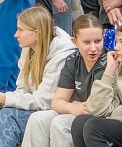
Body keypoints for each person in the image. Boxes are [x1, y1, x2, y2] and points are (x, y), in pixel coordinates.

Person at [0, 6, 77, 147]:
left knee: (8, 116)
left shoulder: (62, 56)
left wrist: (4, 98)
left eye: (20, 30)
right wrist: (1, 101)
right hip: (40, 108)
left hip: (55, 112)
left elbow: (44, 102)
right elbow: (23, 89)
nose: (16, 34)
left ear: (37, 33)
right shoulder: (29, 48)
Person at [22, 14, 107, 147]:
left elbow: (97, 106)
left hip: (101, 116)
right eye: (86, 42)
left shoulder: (109, 62)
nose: (93, 48)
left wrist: (72, 107)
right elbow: (57, 102)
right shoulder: (72, 60)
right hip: (79, 111)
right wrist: (71, 107)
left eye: (97, 41)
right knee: (37, 119)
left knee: (60, 123)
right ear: (74, 42)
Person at [68, 21, 122, 147]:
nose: (116, 47)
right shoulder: (119, 67)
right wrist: (109, 71)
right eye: (116, 42)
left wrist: (112, 112)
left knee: (94, 127)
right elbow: (95, 109)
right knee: (80, 122)